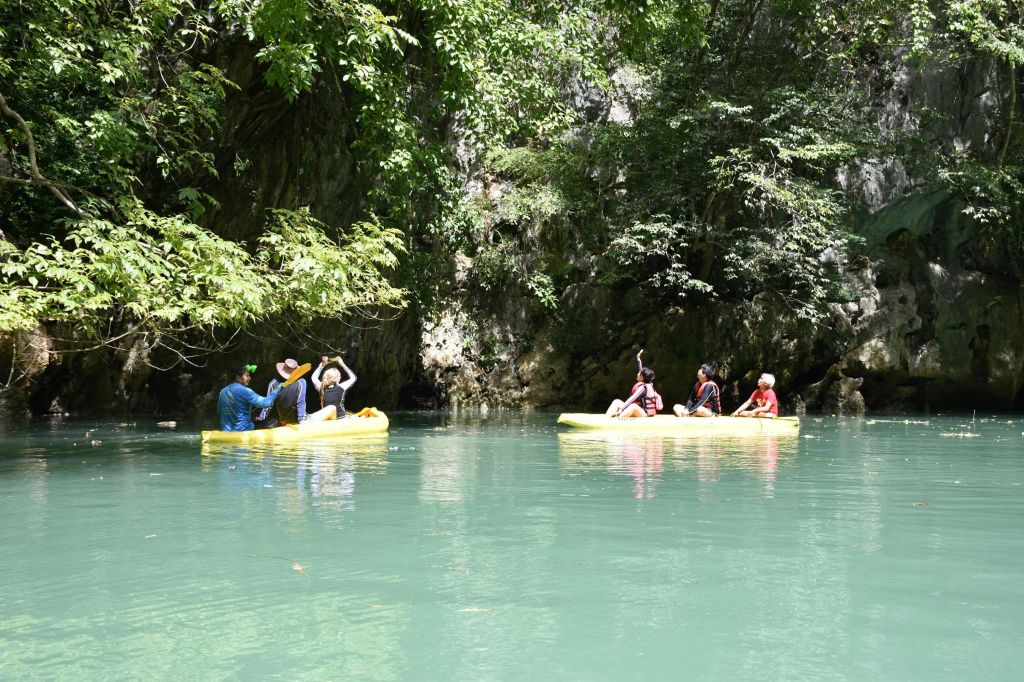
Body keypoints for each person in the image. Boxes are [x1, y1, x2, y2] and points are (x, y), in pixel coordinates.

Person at [217, 363, 280, 432]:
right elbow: (266, 403)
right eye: (247, 376)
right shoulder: (244, 391)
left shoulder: (222, 392)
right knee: (273, 421)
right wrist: (276, 390)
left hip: (226, 432)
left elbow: (219, 413)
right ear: (238, 377)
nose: (249, 378)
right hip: (244, 432)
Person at [605, 349, 663, 418]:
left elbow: (632, 398)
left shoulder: (643, 388)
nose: (637, 374)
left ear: (642, 377)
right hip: (639, 410)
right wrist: (638, 359)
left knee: (633, 406)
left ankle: (618, 417)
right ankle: (607, 418)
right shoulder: (645, 382)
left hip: (645, 413)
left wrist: (621, 409)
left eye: (639, 374)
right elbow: (641, 371)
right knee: (616, 401)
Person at [257, 358, 308, 426]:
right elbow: (301, 402)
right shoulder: (301, 382)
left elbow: (268, 405)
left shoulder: (273, 383)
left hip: (283, 421)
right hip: (298, 420)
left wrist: (261, 418)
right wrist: (302, 420)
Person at [307, 355, 357, 421]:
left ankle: (310, 418)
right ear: (336, 379)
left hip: (328, 419)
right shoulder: (342, 387)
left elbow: (313, 377)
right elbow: (353, 378)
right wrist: (342, 364)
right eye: (339, 377)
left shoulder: (321, 387)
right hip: (340, 419)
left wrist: (322, 365)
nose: (340, 378)